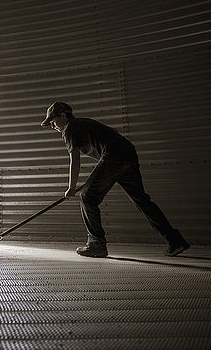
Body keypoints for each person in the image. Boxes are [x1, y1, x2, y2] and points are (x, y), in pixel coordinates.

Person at [41, 101, 190, 258]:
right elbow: (113, 133)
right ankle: (175, 240)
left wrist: (71, 188)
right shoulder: (84, 123)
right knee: (142, 201)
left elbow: (75, 159)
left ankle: (96, 244)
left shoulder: (69, 128)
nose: (52, 126)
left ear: (63, 116)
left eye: (53, 121)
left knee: (87, 197)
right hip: (128, 154)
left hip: (114, 156)